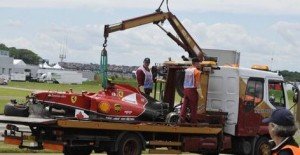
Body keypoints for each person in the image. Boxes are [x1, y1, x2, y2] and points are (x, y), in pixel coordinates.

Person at [180, 57, 201, 123]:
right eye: (198, 63)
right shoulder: (197, 71)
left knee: (184, 105)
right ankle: (193, 121)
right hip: (192, 90)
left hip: (185, 89)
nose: (199, 64)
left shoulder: (187, 70)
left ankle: (181, 119)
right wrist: (200, 93)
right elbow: (197, 83)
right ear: (196, 63)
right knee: (193, 106)